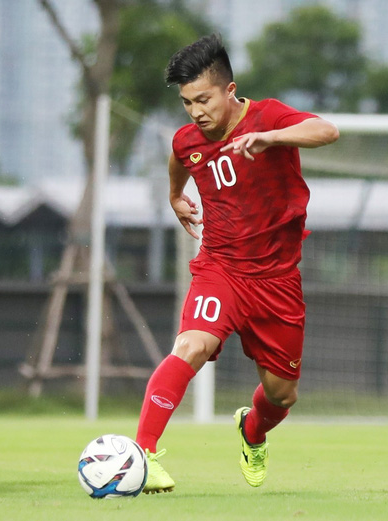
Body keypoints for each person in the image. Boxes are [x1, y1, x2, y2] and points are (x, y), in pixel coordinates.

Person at [135, 34, 339, 494]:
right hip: (221, 269)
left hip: (278, 281)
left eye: (203, 99)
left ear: (229, 90)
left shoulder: (269, 116)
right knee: (191, 345)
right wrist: (174, 196)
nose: (195, 112)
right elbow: (179, 158)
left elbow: (328, 131)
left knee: (282, 395)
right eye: (187, 102)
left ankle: (252, 431)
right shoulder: (188, 139)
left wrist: (272, 137)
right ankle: (141, 455)